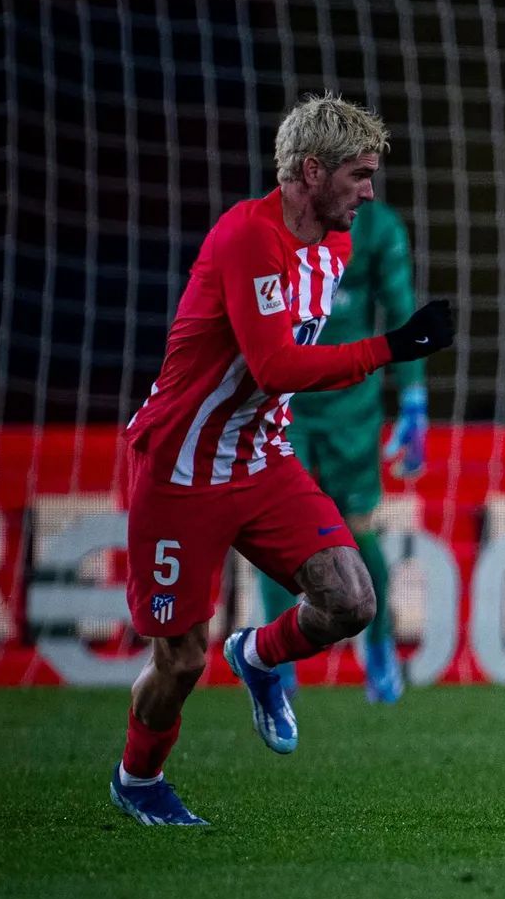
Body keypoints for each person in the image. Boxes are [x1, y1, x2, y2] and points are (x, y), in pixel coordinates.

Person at [110, 95, 455, 826]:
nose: (369, 192)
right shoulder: (247, 237)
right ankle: (139, 780)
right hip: (181, 468)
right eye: (359, 176)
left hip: (261, 460)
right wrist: (393, 348)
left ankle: (261, 656)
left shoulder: (336, 245)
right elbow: (273, 364)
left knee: (352, 601)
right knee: (178, 661)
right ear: (310, 171)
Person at [254, 193, 427, 703]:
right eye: (355, 172)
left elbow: (401, 309)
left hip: (352, 406)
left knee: (356, 530)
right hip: (286, 404)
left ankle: (379, 645)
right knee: (279, 537)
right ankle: (277, 665)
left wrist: (414, 398)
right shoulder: (275, 223)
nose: (366, 187)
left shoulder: (377, 228)